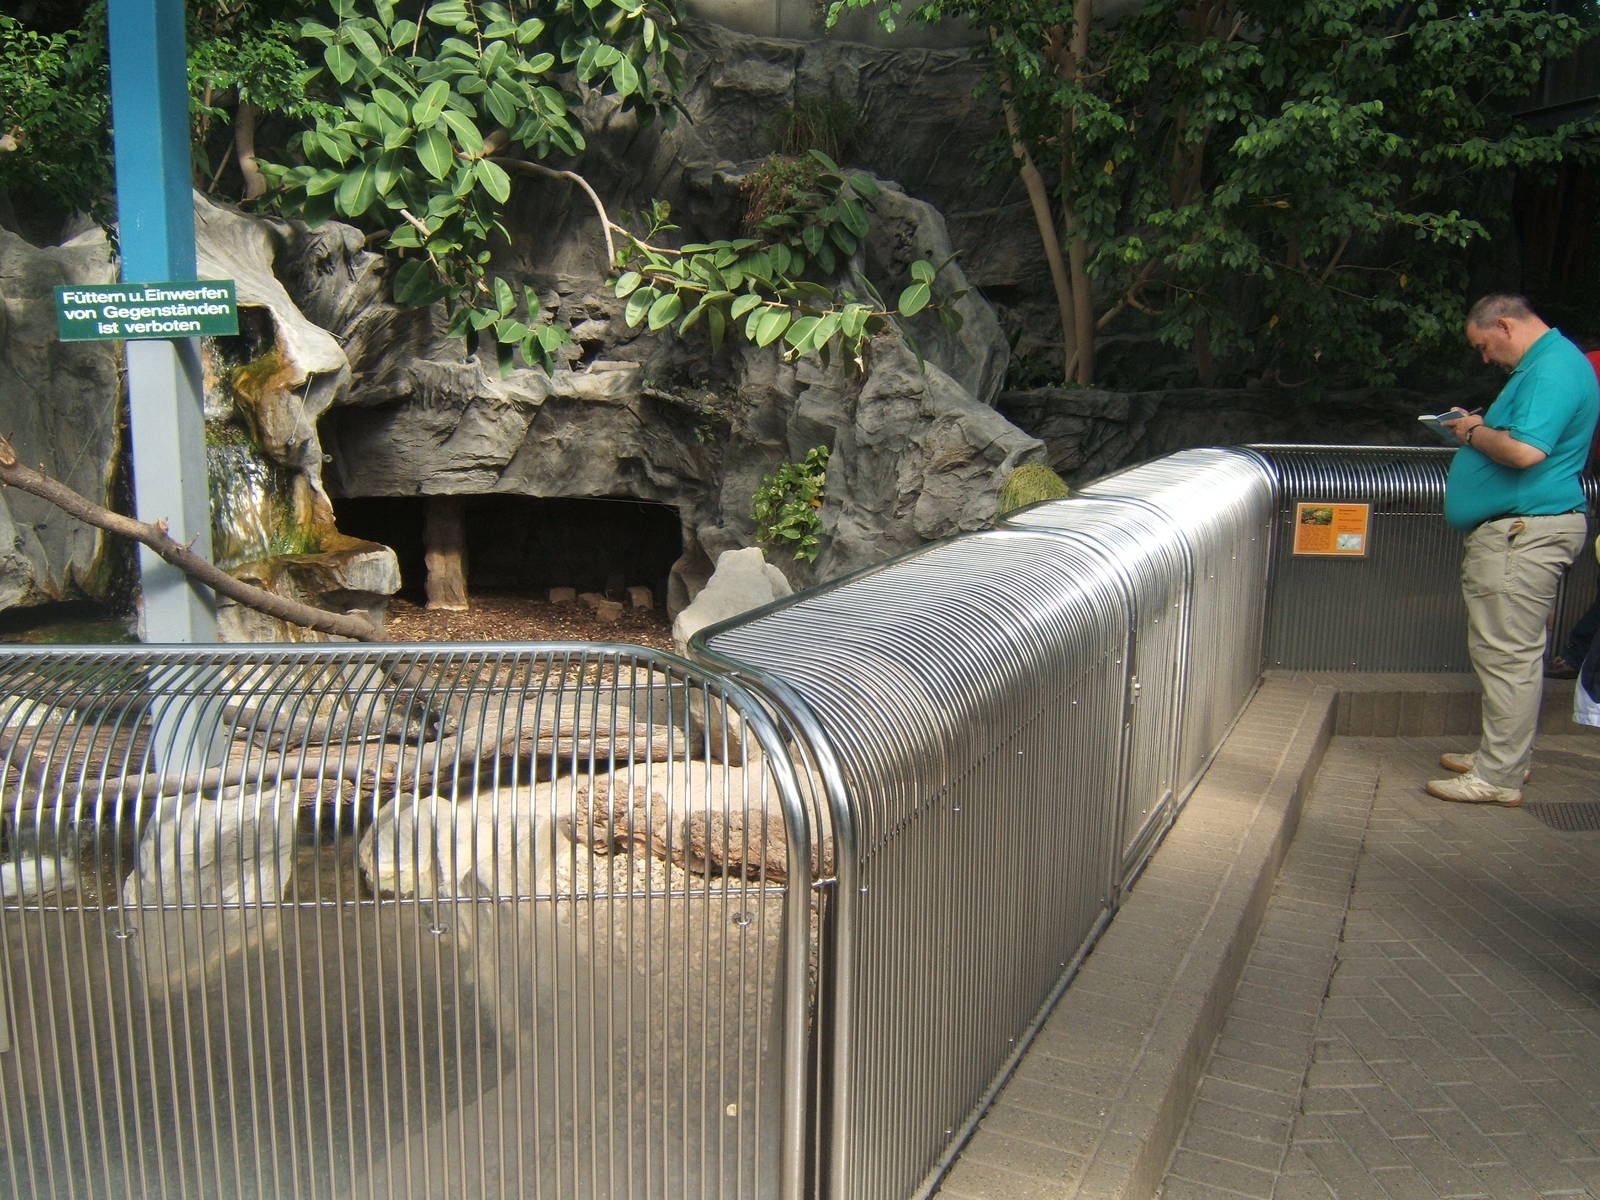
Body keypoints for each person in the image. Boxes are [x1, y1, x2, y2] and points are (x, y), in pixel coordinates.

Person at [1430, 294, 1598, 807]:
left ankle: (1498, 775)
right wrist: (1478, 428)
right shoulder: (1552, 364)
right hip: (1523, 530)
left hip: (1523, 534)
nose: (1485, 358)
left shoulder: (1551, 368)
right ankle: (1501, 758)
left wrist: (1473, 431)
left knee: (1508, 657)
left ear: (1503, 325)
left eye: (1484, 345)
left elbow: (1525, 451)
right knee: (1508, 654)